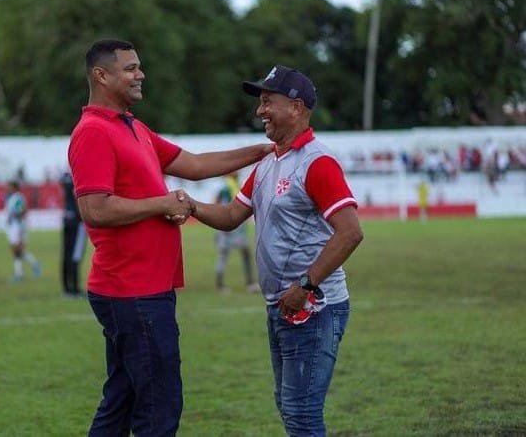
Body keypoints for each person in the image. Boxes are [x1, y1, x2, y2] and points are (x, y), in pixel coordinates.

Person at [68, 39, 273, 437]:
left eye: (139, 66)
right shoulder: (93, 132)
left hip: (145, 288)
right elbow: (95, 209)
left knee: (122, 400)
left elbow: (194, 165)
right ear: (101, 75)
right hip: (132, 290)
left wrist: (263, 151)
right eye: (130, 68)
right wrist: (161, 203)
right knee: (159, 406)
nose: (140, 75)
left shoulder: (132, 126)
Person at [186, 65, 363, 436]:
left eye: (268, 102)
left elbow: (350, 232)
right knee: (289, 407)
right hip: (283, 306)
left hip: (314, 307)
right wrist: (189, 206)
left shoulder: (317, 162)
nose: (259, 110)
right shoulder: (269, 163)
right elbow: (232, 216)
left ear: (296, 108)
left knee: (301, 414)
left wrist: (306, 285)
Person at [213, 171, 259, 293]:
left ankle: (249, 283)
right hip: (229, 229)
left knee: (242, 254)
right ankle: (221, 285)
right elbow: (221, 206)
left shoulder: (232, 185)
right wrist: (223, 227)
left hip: (237, 229)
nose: (238, 172)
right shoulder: (227, 188)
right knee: (226, 255)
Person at [4, 180, 41, 282]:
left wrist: (18, 221)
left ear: (15, 187)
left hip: (18, 225)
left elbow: (23, 210)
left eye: (9, 186)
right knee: (16, 250)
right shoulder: (11, 198)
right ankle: (30, 266)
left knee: (17, 249)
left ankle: (22, 272)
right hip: (13, 226)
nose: (7, 188)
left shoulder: (18, 197)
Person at [60, 170, 86, 297]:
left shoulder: (66, 178)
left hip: (67, 218)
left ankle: (66, 288)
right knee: (75, 254)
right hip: (77, 222)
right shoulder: (78, 179)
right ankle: (74, 289)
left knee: (66, 254)